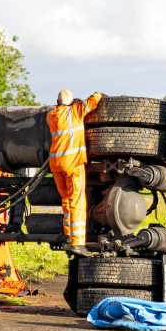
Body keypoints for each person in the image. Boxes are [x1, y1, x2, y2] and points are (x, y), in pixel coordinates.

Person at [47, 89, 103, 258]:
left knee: (66, 201)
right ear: (71, 103)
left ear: (57, 101)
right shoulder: (76, 111)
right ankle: (77, 243)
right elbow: (93, 100)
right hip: (73, 163)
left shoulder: (51, 115)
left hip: (56, 165)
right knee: (77, 202)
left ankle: (67, 237)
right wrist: (100, 94)